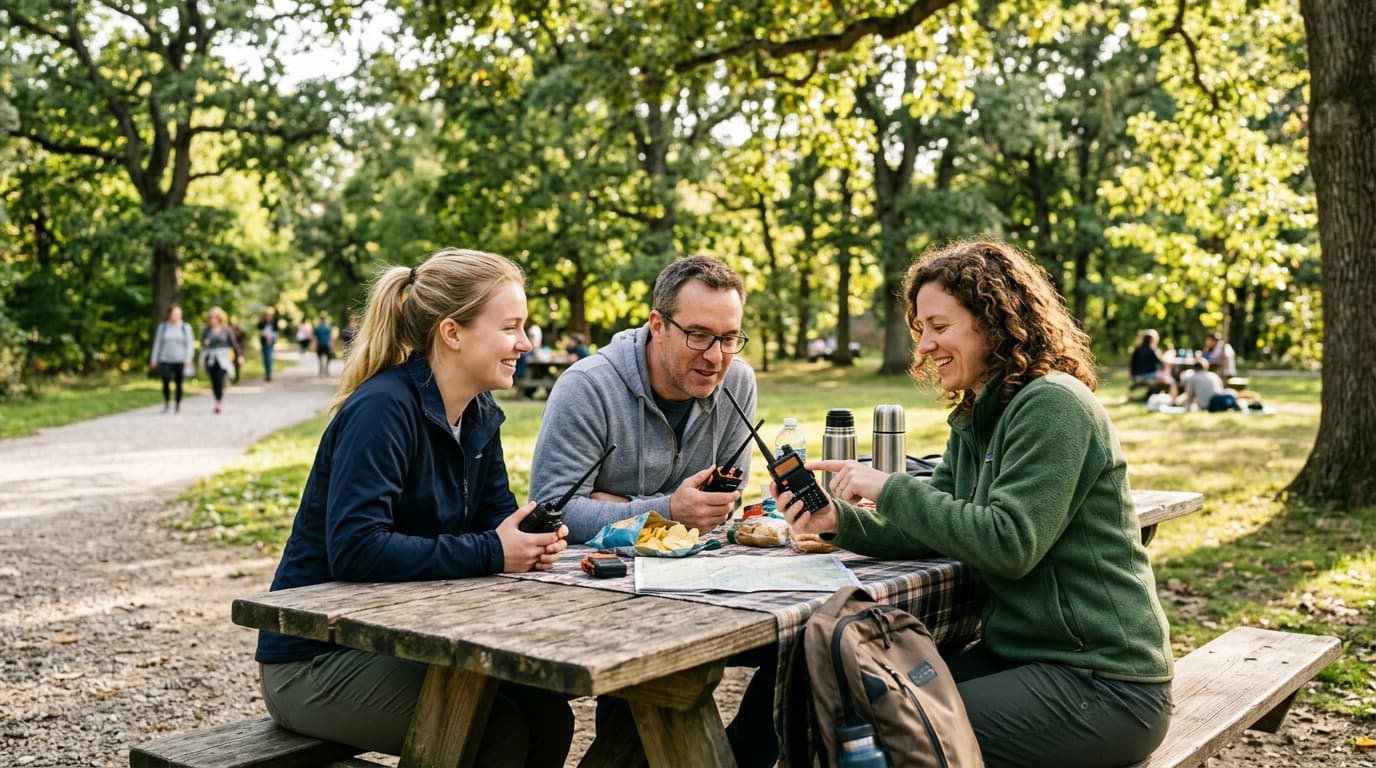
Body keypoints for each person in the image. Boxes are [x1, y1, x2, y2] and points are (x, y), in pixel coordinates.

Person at [797, 240, 1173, 768]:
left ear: (994, 323)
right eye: (920, 329)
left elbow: (1009, 543)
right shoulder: (981, 412)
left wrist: (887, 487)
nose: (924, 346)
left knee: (889, 726)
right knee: (847, 700)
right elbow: (936, 520)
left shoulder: (1053, 404)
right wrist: (839, 520)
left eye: (939, 326)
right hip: (1021, 661)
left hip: (1105, 683)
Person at [253, 248, 573, 767]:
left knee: (548, 712)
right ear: (452, 333)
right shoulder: (382, 410)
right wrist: (494, 550)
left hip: (402, 642)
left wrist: (529, 539)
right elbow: (357, 550)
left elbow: (495, 522)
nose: (524, 343)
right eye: (510, 327)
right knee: (495, 730)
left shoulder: (477, 413)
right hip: (316, 659)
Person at [529, 255, 773, 766]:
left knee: (813, 645)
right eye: (700, 335)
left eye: (730, 338)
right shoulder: (588, 387)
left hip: (701, 590)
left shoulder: (738, 383)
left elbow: (721, 508)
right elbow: (550, 513)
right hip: (600, 605)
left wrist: (614, 505)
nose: (716, 356)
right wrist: (667, 509)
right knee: (651, 700)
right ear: (657, 326)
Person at [149, 304, 195, 413]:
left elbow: (190, 344)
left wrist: (188, 357)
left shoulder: (185, 327)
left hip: (180, 360)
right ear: (169, 315)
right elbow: (157, 344)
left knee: (179, 383)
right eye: (174, 313)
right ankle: (167, 402)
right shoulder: (163, 327)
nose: (176, 316)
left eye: (178, 314)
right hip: (165, 359)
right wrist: (154, 359)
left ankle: (177, 404)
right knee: (165, 380)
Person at [199, 307, 241, 414]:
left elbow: (233, 344)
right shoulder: (206, 330)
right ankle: (217, 400)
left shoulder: (226, 329)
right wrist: (205, 343)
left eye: (215, 317)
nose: (213, 319)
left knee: (220, 379)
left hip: (223, 358)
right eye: (211, 317)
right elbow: (202, 343)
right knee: (214, 381)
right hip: (211, 357)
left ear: (219, 318)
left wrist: (239, 355)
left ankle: (219, 401)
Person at [1129, 329, 1177, 398]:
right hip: (1147, 376)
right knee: (1170, 380)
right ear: (1152, 340)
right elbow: (1162, 362)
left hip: (1136, 375)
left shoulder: (1137, 349)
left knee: (1164, 376)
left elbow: (1132, 364)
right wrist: (1169, 353)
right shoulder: (1152, 350)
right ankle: (1173, 400)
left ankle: (1156, 395)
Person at [257, 308, 279, 382]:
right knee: (265, 359)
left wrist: (271, 338)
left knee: (269, 358)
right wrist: (264, 336)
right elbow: (259, 331)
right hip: (263, 342)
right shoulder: (262, 323)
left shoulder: (274, 323)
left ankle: (269, 374)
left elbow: (276, 333)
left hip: (271, 343)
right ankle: (266, 373)